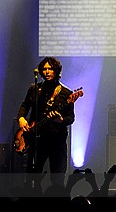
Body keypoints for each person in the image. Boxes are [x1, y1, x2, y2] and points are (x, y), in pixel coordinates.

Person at [16, 57, 77, 188]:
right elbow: (25, 105)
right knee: (33, 178)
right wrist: (21, 118)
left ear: (57, 71)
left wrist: (61, 120)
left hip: (57, 141)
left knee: (57, 179)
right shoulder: (35, 89)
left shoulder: (66, 93)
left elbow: (71, 118)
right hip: (37, 140)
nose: (47, 72)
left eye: (50, 69)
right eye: (44, 69)